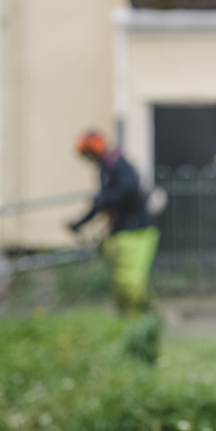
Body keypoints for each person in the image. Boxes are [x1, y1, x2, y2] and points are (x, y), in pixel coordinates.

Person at [69, 130, 159, 316]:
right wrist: (80, 223)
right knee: (121, 283)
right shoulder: (105, 168)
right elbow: (102, 203)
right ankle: (131, 321)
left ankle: (145, 318)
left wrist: (104, 198)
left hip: (136, 230)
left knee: (131, 281)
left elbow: (128, 190)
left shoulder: (118, 164)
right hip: (119, 231)